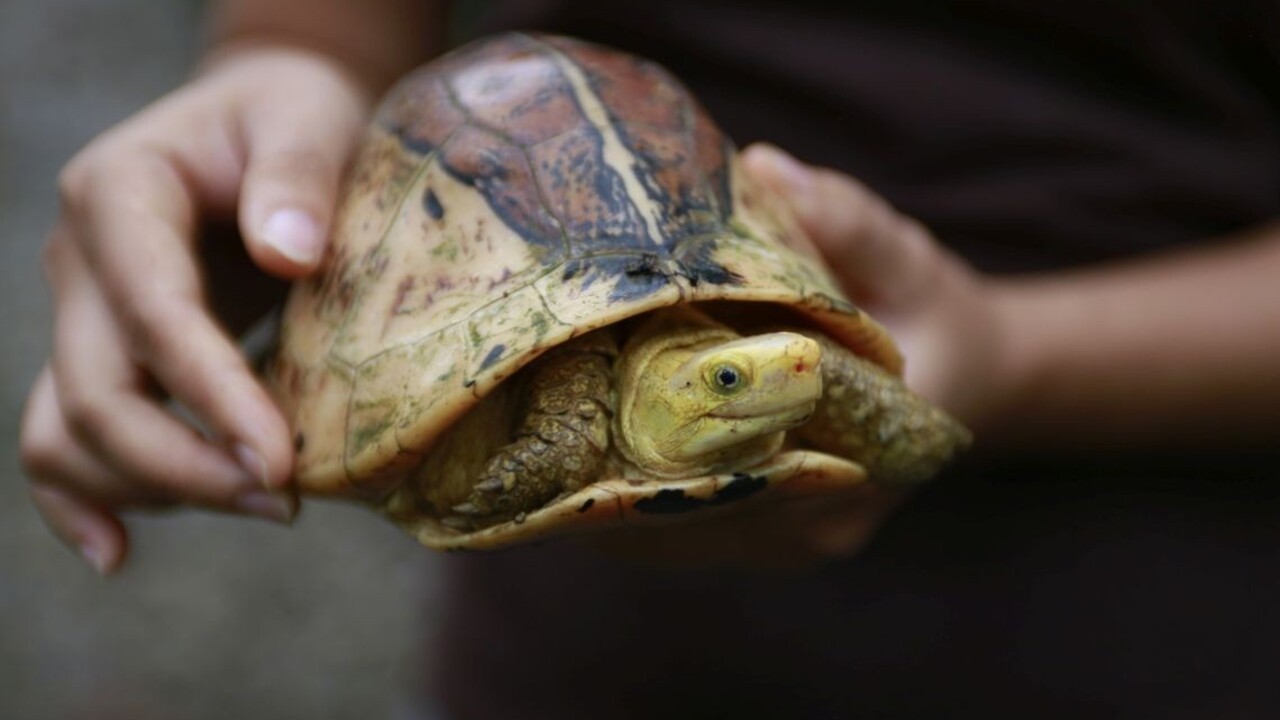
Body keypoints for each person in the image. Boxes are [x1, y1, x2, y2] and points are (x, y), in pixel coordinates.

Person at [20, 0, 1280, 715]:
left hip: (1149, 624)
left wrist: (997, 366)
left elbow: (827, 372)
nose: (789, 376)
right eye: (734, 378)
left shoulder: (796, 361)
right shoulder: (573, 413)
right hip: (591, 662)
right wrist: (289, 57)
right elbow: (325, 28)